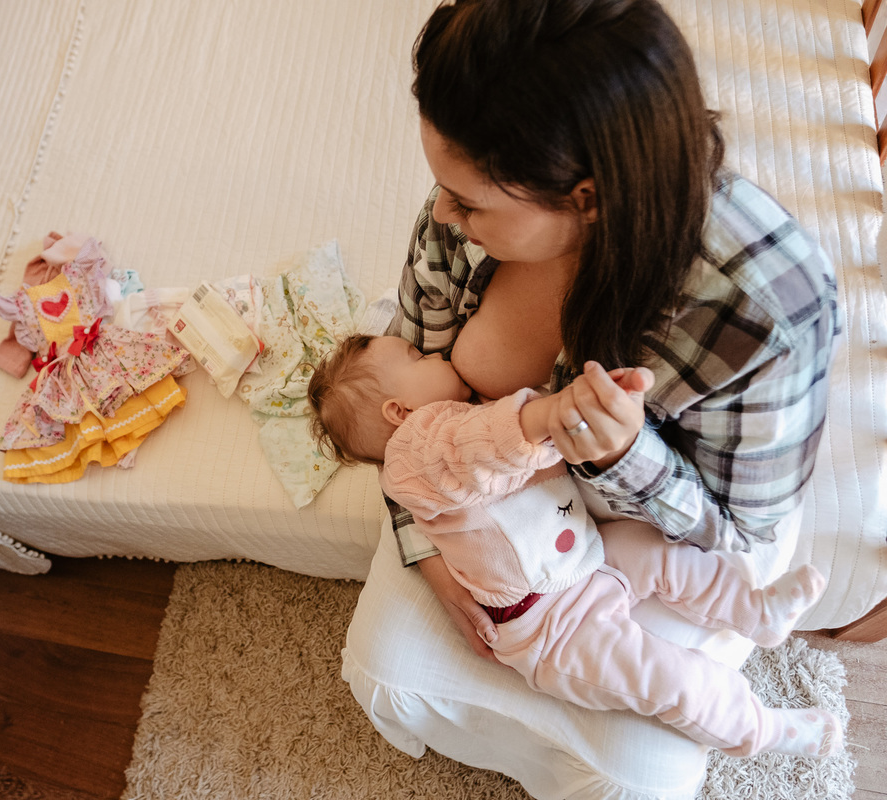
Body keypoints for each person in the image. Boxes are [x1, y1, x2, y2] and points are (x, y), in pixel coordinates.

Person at [340, 0, 841, 795]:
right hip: (497, 520)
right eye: (443, 187)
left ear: (589, 196)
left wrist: (619, 453)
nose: (439, 216)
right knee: (381, 670)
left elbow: (735, 527)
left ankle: (758, 709)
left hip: (669, 524)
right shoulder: (454, 228)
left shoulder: (764, 310)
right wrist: (428, 547)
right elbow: (416, 431)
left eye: (469, 202)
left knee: (640, 776)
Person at [307, 333, 839, 758]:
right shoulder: (415, 453)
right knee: (663, 678)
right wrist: (544, 415)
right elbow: (469, 454)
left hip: (587, 557)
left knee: (658, 551)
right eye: (415, 354)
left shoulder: (461, 417)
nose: (430, 350)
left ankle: (756, 610)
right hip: (549, 627)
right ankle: (761, 732)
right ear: (399, 412)